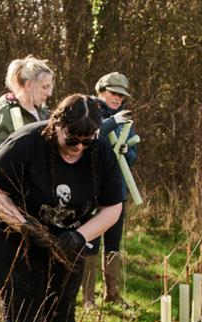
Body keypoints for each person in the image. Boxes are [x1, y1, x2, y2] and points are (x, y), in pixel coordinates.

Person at [0, 94, 123, 322]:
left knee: (62, 305)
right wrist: (23, 227)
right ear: (56, 125)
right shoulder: (26, 144)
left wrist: (79, 236)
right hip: (14, 230)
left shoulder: (100, 153)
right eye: (72, 139)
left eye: (86, 142)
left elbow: (113, 206)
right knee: (23, 306)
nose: (77, 148)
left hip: (68, 235)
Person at [80, 72, 139, 308]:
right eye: (113, 93)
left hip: (118, 190)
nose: (117, 98)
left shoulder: (126, 120)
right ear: (101, 91)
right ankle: (87, 298)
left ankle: (112, 293)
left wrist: (127, 151)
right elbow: (88, 138)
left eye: (121, 95)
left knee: (114, 242)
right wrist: (112, 123)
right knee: (91, 239)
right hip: (92, 189)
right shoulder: (89, 111)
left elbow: (134, 155)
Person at [0, 55, 54, 164]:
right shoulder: (4, 113)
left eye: (50, 87)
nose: (50, 93)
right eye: (45, 87)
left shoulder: (45, 114)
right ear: (29, 85)